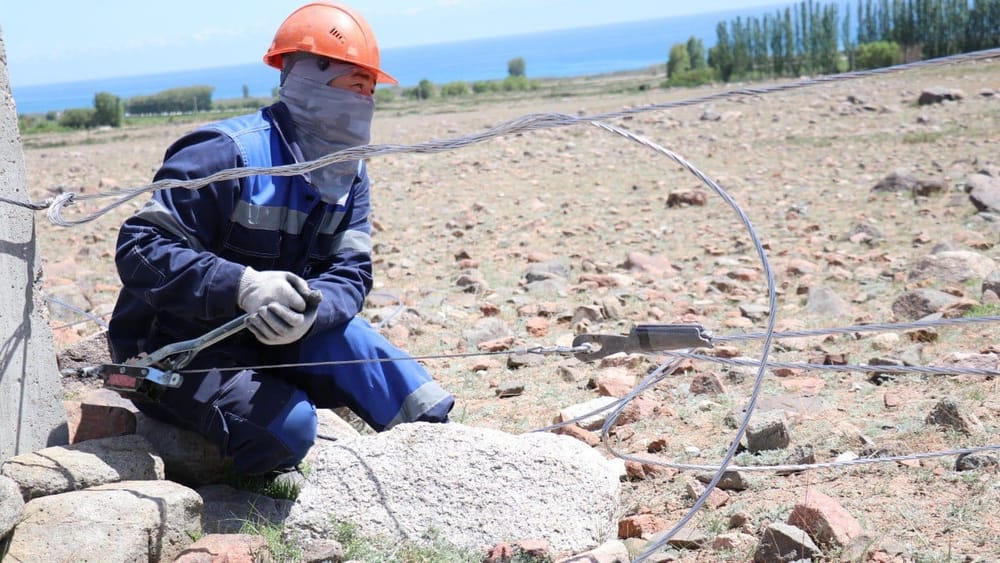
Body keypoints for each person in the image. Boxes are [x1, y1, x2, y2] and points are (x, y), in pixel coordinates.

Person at [107, 1, 454, 477]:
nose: (364, 101)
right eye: (354, 85)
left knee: (359, 346)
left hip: (273, 340)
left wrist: (310, 314)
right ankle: (239, 487)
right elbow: (140, 248)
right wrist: (243, 286)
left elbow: (352, 274)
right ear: (310, 77)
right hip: (174, 349)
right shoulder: (224, 153)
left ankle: (445, 453)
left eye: (370, 90)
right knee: (287, 431)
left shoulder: (348, 173)